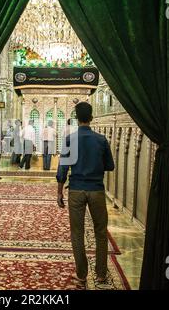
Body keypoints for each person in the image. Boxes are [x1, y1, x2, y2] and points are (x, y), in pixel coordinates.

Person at [56, 102, 115, 287]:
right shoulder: (101, 140)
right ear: (91, 117)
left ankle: (81, 274)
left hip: (76, 190)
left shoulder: (70, 139)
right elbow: (110, 166)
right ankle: (101, 274)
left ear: (76, 118)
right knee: (100, 233)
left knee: (77, 233)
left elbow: (63, 168)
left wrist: (59, 193)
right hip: (96, 190)